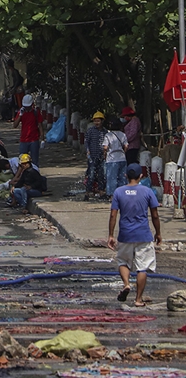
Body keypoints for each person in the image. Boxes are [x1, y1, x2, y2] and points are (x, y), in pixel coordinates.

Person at [107, 163, 161, 307]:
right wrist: (158, 233)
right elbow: (155, 215)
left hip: (125, 234)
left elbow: (113, 215)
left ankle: (126, 284)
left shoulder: (118, 192)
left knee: (123, 262)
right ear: (141, 176)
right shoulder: (147, 191)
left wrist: (111, 235)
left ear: (126, 175)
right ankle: (138, 300)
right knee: (142, 267)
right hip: (143, 235)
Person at [13, 94, 44, 167]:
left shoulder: (36, 112)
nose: (26, 108)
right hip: (24, 140)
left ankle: (35, 173)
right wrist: (20, 115)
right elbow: (15, 125)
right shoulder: (21, 112)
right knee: (22, 161)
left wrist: (42, 138)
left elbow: (40, 125)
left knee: (35, 161)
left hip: (34, 139)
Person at [84, 112, 107, 200]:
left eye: (98, 121)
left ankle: (101, 192)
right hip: (92, 156)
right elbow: (86, 142)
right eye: (95, 121)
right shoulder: (90, 131)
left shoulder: (105, 132)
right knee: (91, 175)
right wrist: (87, 151)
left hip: (102, 157)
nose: (96, 123)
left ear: (102, 121)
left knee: (102, 175)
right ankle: (87, 193)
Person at [103, 119, 129, 197]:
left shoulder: (108, 135)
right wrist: (123, 152)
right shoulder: (123, 134)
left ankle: (112, 195)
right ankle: (122, 195)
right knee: (122, 178)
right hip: (122, 158)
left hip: (111, 159)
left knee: (112, 178)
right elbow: (126, 146)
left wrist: (105, 155)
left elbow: (105, 147)